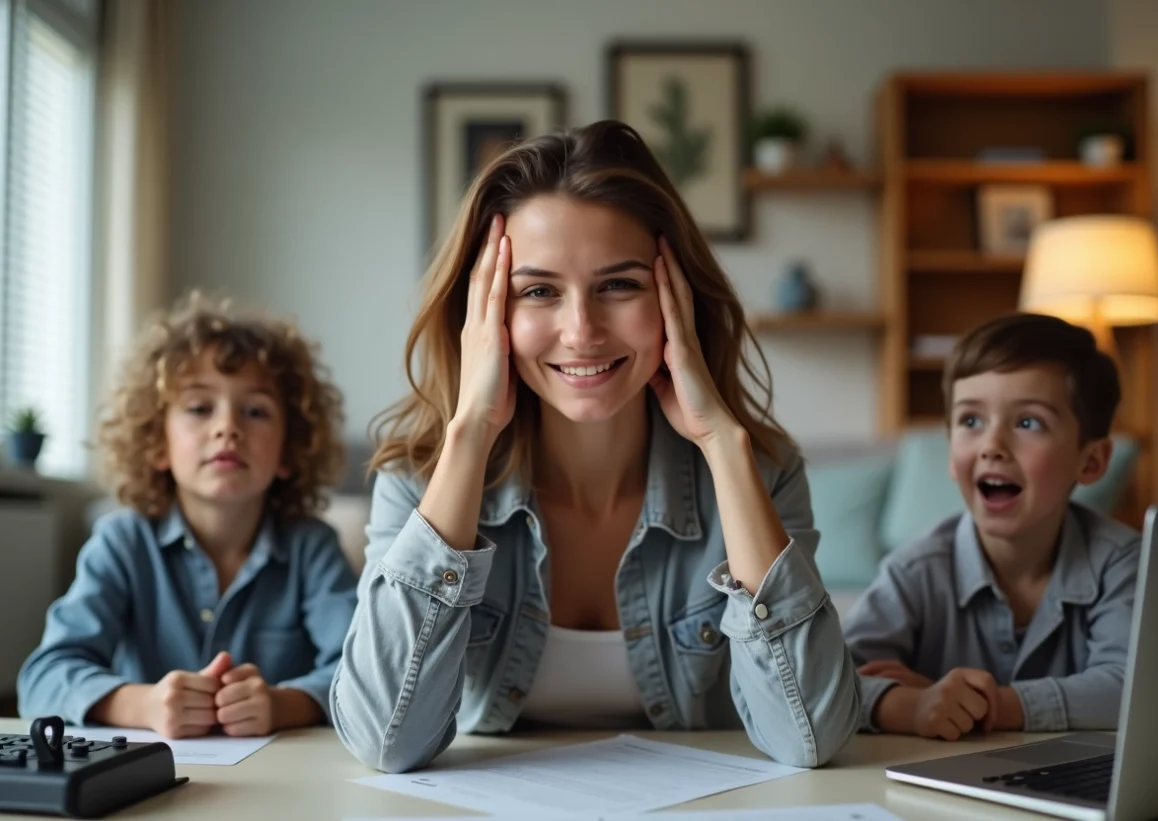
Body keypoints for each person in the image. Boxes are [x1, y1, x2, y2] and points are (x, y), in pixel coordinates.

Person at [331, 120, 861, 773]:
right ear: (485, 313)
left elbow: (810, 737)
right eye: (539, 291)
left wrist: (723, 444)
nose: (581, 330)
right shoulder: (417, 482)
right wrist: (469, 431)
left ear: (677, 299)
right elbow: (384, 741)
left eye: (619, 284)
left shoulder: (761, 474)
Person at [18, 294, 359, 738]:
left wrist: (281, 704)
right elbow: (42, 677)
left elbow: (360, 676)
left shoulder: (312, 547)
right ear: (157, 444)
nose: (227, 427)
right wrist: (141, 704)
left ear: (288, 453)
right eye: (199, 408)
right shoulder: (122, 541)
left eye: (256, 411)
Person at [842, 312, 1140, 740]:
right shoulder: (915, 570)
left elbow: (1131, 687)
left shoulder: (1123, 563)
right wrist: (910, 705)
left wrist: (991, 705)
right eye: (970, 421)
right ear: (949, 453)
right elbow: (832, 685)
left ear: (1090, 461)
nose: (992, 446)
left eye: (1027, 422)